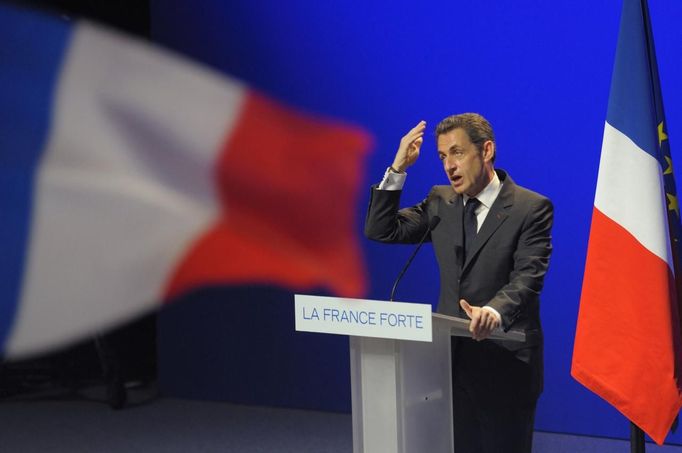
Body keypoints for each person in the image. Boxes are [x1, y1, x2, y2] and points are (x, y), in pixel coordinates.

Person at [365, 113, 553, 453]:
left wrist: (494, 312)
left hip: (505, 364)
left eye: (457, 152)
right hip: (450, 363)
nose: (449, 165)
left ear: (487, 150)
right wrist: (397, 168)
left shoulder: (531, 208)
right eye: (442, 157)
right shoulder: (441, 202)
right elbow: (381, 229)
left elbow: (528, 276)